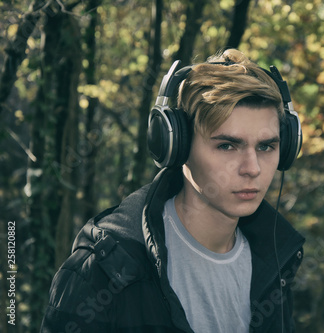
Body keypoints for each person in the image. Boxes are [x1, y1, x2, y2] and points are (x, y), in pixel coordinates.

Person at [40, 49, 305, 333]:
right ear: (177, 147)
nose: (252, 168)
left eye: (266, 146)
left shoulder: (275, 262)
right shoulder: (104, 269)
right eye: (227, 146)